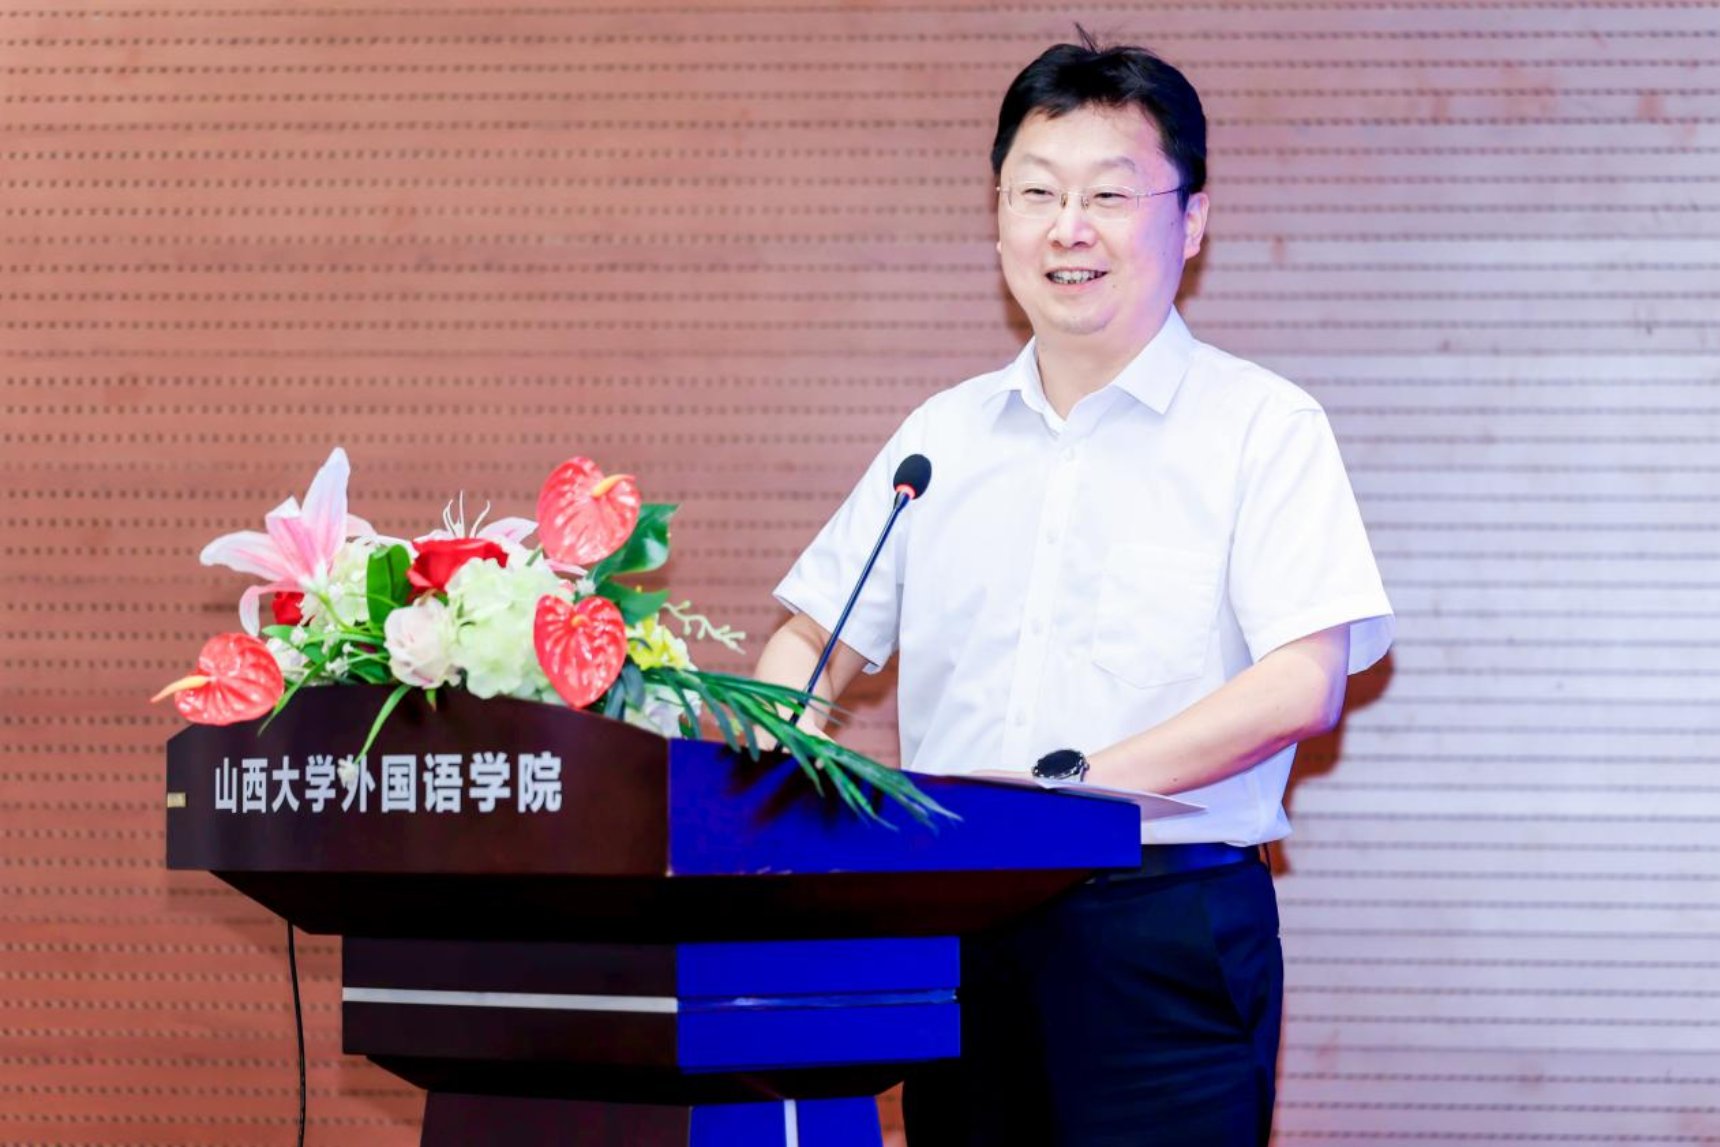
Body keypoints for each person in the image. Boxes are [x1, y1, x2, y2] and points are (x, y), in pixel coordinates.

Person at [754, 30, 1393, 1147]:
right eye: (1036, 192)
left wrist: (1072, 789)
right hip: (957, 922)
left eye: (1109, 193)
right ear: (998, 216)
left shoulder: (1261, 426)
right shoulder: (940, 438)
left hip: (1161, 925)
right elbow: (813, 639)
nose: (1068, 227)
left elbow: (1302, 681)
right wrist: (786, 753)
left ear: (1192, 219)